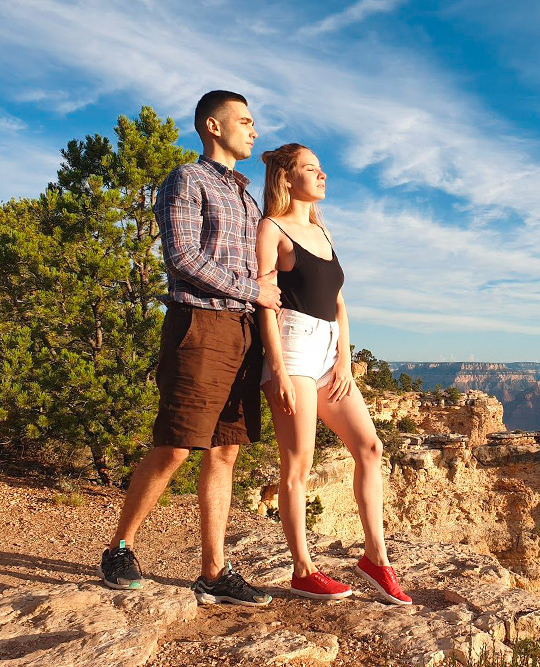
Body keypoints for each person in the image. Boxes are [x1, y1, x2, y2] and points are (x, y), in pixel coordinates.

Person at [98, 90, 282, 607]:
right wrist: (254, 291)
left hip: (244, 333)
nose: (254, 130)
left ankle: (214, 571)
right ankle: (120, 546)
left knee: (225, 450)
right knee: (178, 442)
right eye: (245, 121)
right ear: (213, 126)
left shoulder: (247, 197)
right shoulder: (186, 179)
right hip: (201, 325)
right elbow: (182, 258)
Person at [257, 143, 412, 605]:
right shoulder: (272, 228)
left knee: (370, 446)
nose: (322, 175)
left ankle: (376, 560)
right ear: (287, 178)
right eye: (311, 169)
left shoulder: (322, 231)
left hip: (328, 352)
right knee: (299, 462)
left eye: (321, 168)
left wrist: (344, 359)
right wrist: (279, 371)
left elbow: (339, 303)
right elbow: (265, 302)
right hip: (291, 348)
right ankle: (303, 570)